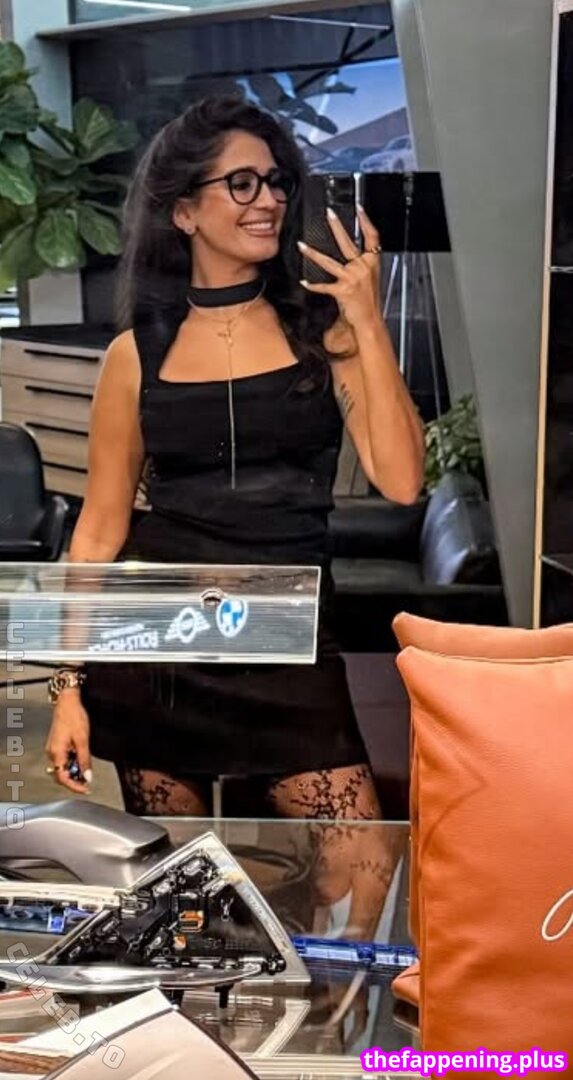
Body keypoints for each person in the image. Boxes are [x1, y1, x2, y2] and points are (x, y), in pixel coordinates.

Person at [44, 95, 424, 937]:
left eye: (276, 181)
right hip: (159, 643)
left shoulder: (325, 333)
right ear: (184, 211)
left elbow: (401, 480)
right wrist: (67, 689)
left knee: (362, 867)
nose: (267, 200)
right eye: (240, 183)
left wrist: (366, 320)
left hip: (289, 640)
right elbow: (98, 532)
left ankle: (321, 1009)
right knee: (179, 893)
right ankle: (211, 1015)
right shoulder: (133, 355)